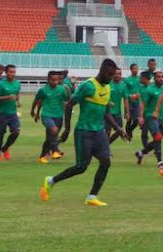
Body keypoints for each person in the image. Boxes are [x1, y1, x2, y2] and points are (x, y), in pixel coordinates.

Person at [39, 59, 127, 207]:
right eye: (110, 75)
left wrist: (118, 128)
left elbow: (106, 112)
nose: (112, 78)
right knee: (81, 167)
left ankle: (92, 196)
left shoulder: (107, 88)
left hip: (99, 132)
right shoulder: (88, 86)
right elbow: (69, 105)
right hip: (84, 132)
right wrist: (67, 129)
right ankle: (51, 181)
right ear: (102, 71)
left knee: (106, 162)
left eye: (113, 75)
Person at [32, 71, 69, 163]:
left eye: (56, 80)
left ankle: (42, 157)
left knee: (50, 137)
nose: (54, 82)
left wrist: (69, 93)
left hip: (59, 116)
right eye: (52, 80)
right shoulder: (43, 90)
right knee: (54, 130)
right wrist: (34, 112)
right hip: (47, 115)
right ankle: (55, 151)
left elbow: (67, 100)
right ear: (48, 80)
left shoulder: (61, 89)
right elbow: (37, 101)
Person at [135, 71, 163, 171]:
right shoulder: (149, 90)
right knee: (157, 136)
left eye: (162, 77)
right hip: (150, 117)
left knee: (158, 139)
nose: (161, 78)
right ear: (154, 78)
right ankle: (160, 162)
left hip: (160, 118)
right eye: (158, 77)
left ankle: (141, 153)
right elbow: (143, 104)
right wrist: (141, 117)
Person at [0, 64, 21, 160]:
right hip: (2, 113)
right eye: (10, 72)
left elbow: (17, 93)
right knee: (0, 134)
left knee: (16, 132)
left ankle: (5, 148)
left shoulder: (17, 84)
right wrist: (7, 97)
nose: (12, 74)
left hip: (12, 113)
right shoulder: (0, 84)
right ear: (6, 73)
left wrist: (18, 101)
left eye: (14, 72)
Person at [108, 68, 129, 144]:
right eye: (115, 73)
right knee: (107, 131)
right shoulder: (108, 84)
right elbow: (101, 96)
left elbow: (125, 99)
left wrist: (126, 112)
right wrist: (108, 102)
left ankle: (106, 144)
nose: (117, 75)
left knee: (120, 131)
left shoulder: (123, 85)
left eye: (119, 74)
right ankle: (106, 149)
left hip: (117, 113)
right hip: (107, 113)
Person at [123, 64, 141, 142]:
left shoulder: (140, 79)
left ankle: (129, 131)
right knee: (129, 120)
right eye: (134, 68)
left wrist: (139, 95)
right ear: (131, 69)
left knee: (136, 120)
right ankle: (129, 136)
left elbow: (143, 89)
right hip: (129, 103)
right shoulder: (127, 80)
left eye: (137, 68)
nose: (136, 70)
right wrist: (130, 96)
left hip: (137, 103)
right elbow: (124, 92)